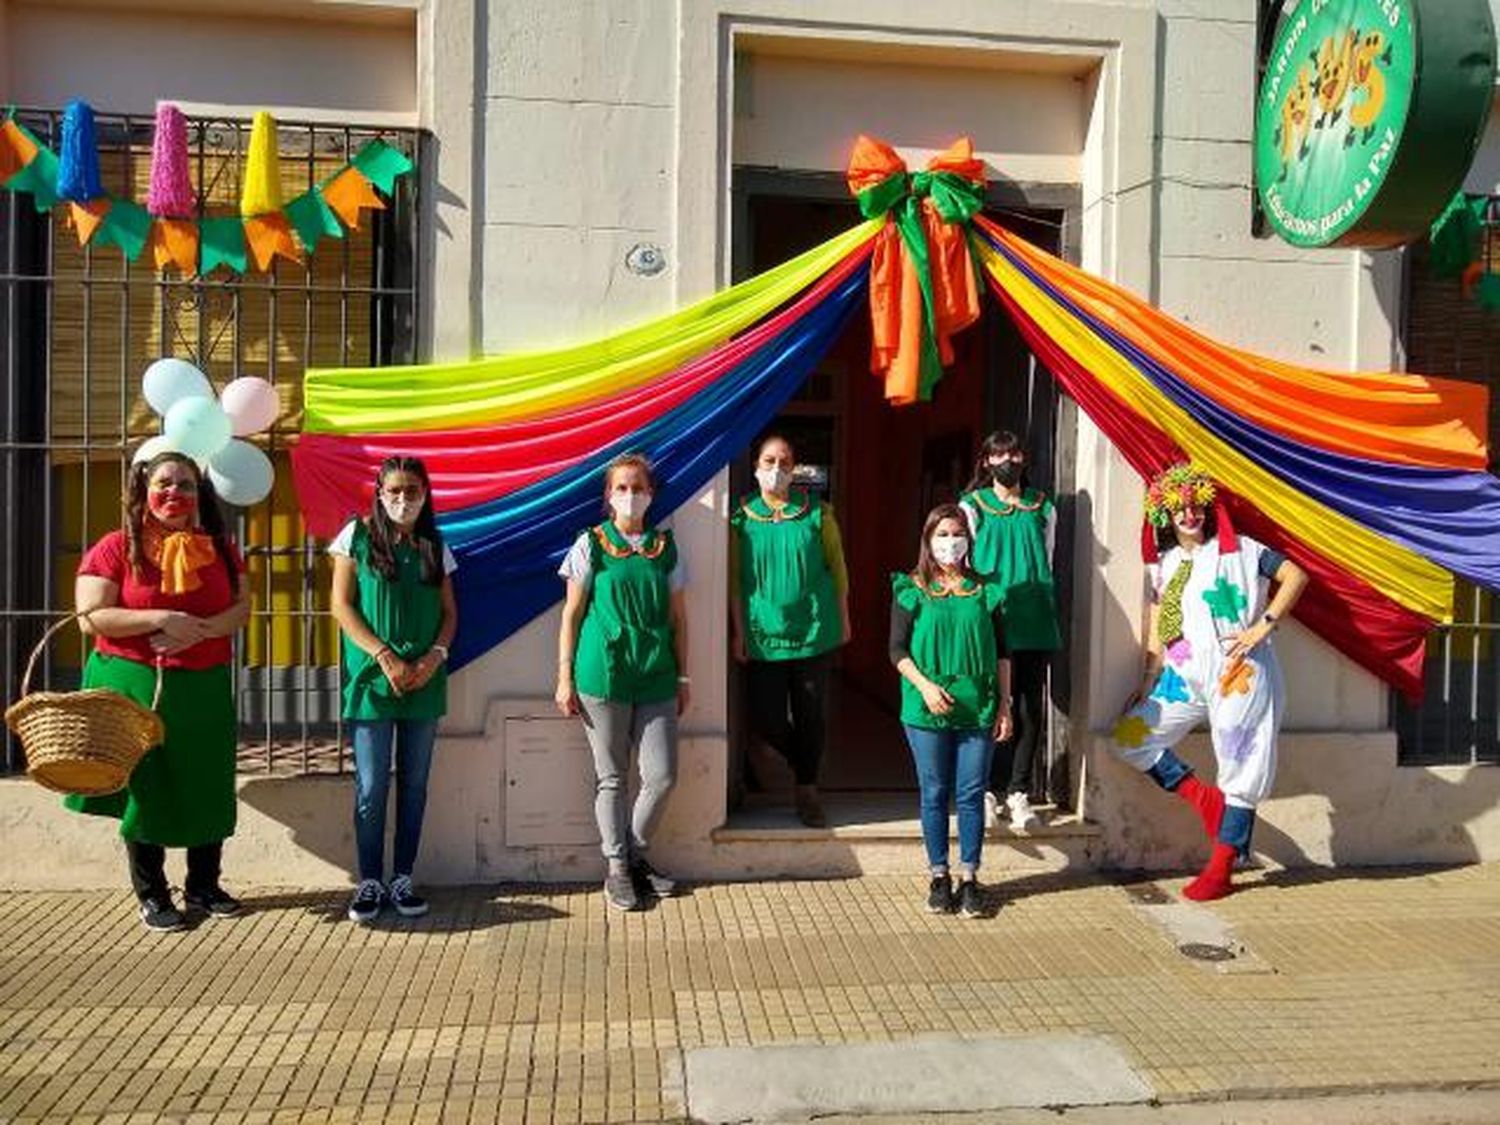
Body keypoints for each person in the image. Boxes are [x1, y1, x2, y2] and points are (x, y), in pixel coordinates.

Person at [70, 450, 250, 932]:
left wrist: (199, 631)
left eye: (187, 485)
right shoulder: (114, 546)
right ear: (143, 490)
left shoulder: (220, 547)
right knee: (147, 786)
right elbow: (91, 617)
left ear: (200, 494)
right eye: (165, 483)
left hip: (203, 684)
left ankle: (204, 884)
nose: (175, 493)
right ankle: (151, 893)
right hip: (134, 682)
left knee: (206, 782)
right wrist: (161, 619)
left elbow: (240, 609)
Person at [1111, 463, 1308, 901]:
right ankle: (1204, 800)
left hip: (1238, 672)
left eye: (1195, 506)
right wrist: (1148, 678)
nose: (1188, 515)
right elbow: (1160, 621)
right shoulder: (1165, 563)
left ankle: (1221, 869)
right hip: (1182, 674)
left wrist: (1263, 626)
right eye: (1178, 509)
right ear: (1166, 515)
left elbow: (1295, 576)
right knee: (1127, 737)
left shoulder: (1243, 551)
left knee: (1241, 766)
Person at [555, 453, 689, 912]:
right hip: (602, 675)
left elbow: (679, 618)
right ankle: (618, 869)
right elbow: (571, 614)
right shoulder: (590, 543)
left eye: (639, 487)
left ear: (652, 495)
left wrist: (684, 674)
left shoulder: (665, 547)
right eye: (622, 488)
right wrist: (564, 677)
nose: (631, 495)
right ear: (608, 497)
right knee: (612, 779)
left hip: (656, 673)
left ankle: (632, 854)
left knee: (662, 776)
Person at [329, 456, 458, 924]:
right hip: (372, 683)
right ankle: (369, 881)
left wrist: (432, 659)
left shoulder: (435, 546)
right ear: (380, 494)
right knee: (371, 786)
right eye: (395, 491)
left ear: (426, 495)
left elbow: (449, 614)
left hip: (424, 682)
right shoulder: (356, 538)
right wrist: (384, 656)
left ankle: (403, 877)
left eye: (413, 491)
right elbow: (341, 605)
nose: (404, 500)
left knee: (415, 785)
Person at [890, 505, 1013, 918]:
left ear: (968, 540)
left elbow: (1003, 652)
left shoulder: (986, 590)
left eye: (957, 534)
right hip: (926, 708)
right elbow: (897, 649)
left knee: (972, 794)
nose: (950, 542)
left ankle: (970, 878)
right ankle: (939, 875)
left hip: (978, 705)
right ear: (928, 540)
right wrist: (924, 687)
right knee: (935, 792)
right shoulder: (912, 587)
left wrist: (1005, 705)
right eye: (941, 534)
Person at [729, 434, 851, 827]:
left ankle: (807, 790)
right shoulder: (741, 517)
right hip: (762, 632)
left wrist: (845, 618)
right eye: (768, 461)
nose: (776, 470)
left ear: (794, 467)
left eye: (784, 462)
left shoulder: (818, 514)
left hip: (814, 629)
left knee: (811, 714)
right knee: (766, 716)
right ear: (756, 468)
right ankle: (804, 760)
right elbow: (734, 581)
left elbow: (837, 569)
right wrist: (737, 631)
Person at [960, 431, 1061, 833]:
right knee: (989, 705)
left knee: (1028, 707)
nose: (1008, 460)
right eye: (999, 454)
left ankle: (1018, 792)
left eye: (1014, 453)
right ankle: (986, 789)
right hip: (992, 616)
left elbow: (1049, 560)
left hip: (1035, 615)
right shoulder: (973, 507)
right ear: (986, 461)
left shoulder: (1043, 507)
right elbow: (963, 562)